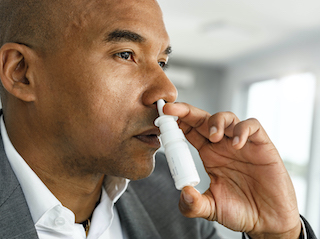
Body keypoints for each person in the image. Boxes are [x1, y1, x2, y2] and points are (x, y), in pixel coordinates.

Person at [0, 0, 316, 238]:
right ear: (22, 72)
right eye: (125, 54)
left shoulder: (174, 200)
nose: (167, 90)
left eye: (162, 61)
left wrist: (278, 234)